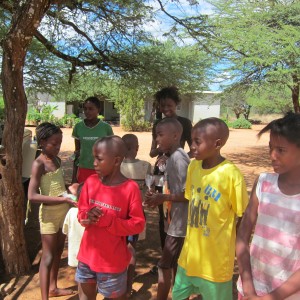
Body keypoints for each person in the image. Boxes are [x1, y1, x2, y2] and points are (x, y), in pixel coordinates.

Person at [172, 117, 249, 300]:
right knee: (178, 295)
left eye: (197, 142)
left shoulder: (231, 174)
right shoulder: (193, 167)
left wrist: (232, 245)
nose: (192, 146)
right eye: (192, 141)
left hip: (215, 263)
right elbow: (190, 198)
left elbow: (243, 214)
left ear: (217, 144)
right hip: (190, 257)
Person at [236, 112, 300, 300]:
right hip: (250, 290)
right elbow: (242, 235)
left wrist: (270, 298)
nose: (272, 155)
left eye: (281, 150)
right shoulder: (264, 183)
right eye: (270, 148)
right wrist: (248, 287)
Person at [75, 135, 145, 300]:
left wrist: (110, 222)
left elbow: (138, 224)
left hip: (112, 263)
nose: (94, 163)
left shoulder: (130, 188)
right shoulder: (90, 182)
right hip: (86, 257)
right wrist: (87, 217)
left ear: (116, 161)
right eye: (94, 158)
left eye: (99, 159)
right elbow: (81, 215)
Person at [27, 122, 76, 299]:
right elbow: (32, 196)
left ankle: (53, 287)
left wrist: (71, 190)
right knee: (47, 257)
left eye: (60, 143)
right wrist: (62, 198)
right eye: (54, 144)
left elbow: (60, 186)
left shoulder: (56, 160)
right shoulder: (38, 164)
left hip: (63, 211)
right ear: (42, 142)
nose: (58, 147)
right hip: (48, 215)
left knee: (57, 252)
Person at [145, 118, 190, 300]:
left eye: (160, 135)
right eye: (156, 135)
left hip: (179, 226)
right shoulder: (171, 157)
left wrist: (163, 197)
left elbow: (189, 194)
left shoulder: (180, 158)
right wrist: (158, 195)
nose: (157, 139)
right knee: (174, 264)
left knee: (164, 265)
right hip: (172, 220)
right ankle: (179, 295)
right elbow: (172, 186)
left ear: (176, 135)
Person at [149, 86, 193, 261]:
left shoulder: (185, 123)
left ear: (177, 104)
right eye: (162, 106)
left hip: (178, 170)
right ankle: (165, 256)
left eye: (169, 105)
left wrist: (174, 156)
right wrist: (162, 152)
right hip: (161, 171)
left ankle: (177, 259)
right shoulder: (157, 124)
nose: (166, 109)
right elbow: (153, 151)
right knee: (163, 214)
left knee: (177, 210)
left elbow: (194, 150)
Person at [121, 133, 152, 297]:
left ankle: (115, 283)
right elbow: (149, 191)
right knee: (132, 248)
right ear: (137, 148)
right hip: (136, 215)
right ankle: (128, 286)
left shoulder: (114, 166)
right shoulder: (146, 166)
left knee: (117, 247)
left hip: (117, 215)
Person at [72, 96, 114, 183]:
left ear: (98, 109)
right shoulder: (78, 127)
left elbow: (111, 152)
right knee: (84, 194)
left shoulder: (106, 128)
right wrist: (74, 176)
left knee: (99, 195)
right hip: (83, 168)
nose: (87, 111)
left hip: (101, 169)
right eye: (85, 109)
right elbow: (77, 152)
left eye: (91, 109)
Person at [62, 183, 84, 268]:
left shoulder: (71, 212)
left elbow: (65, 230)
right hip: (89, 257)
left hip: (74, 255)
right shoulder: (95, 215)